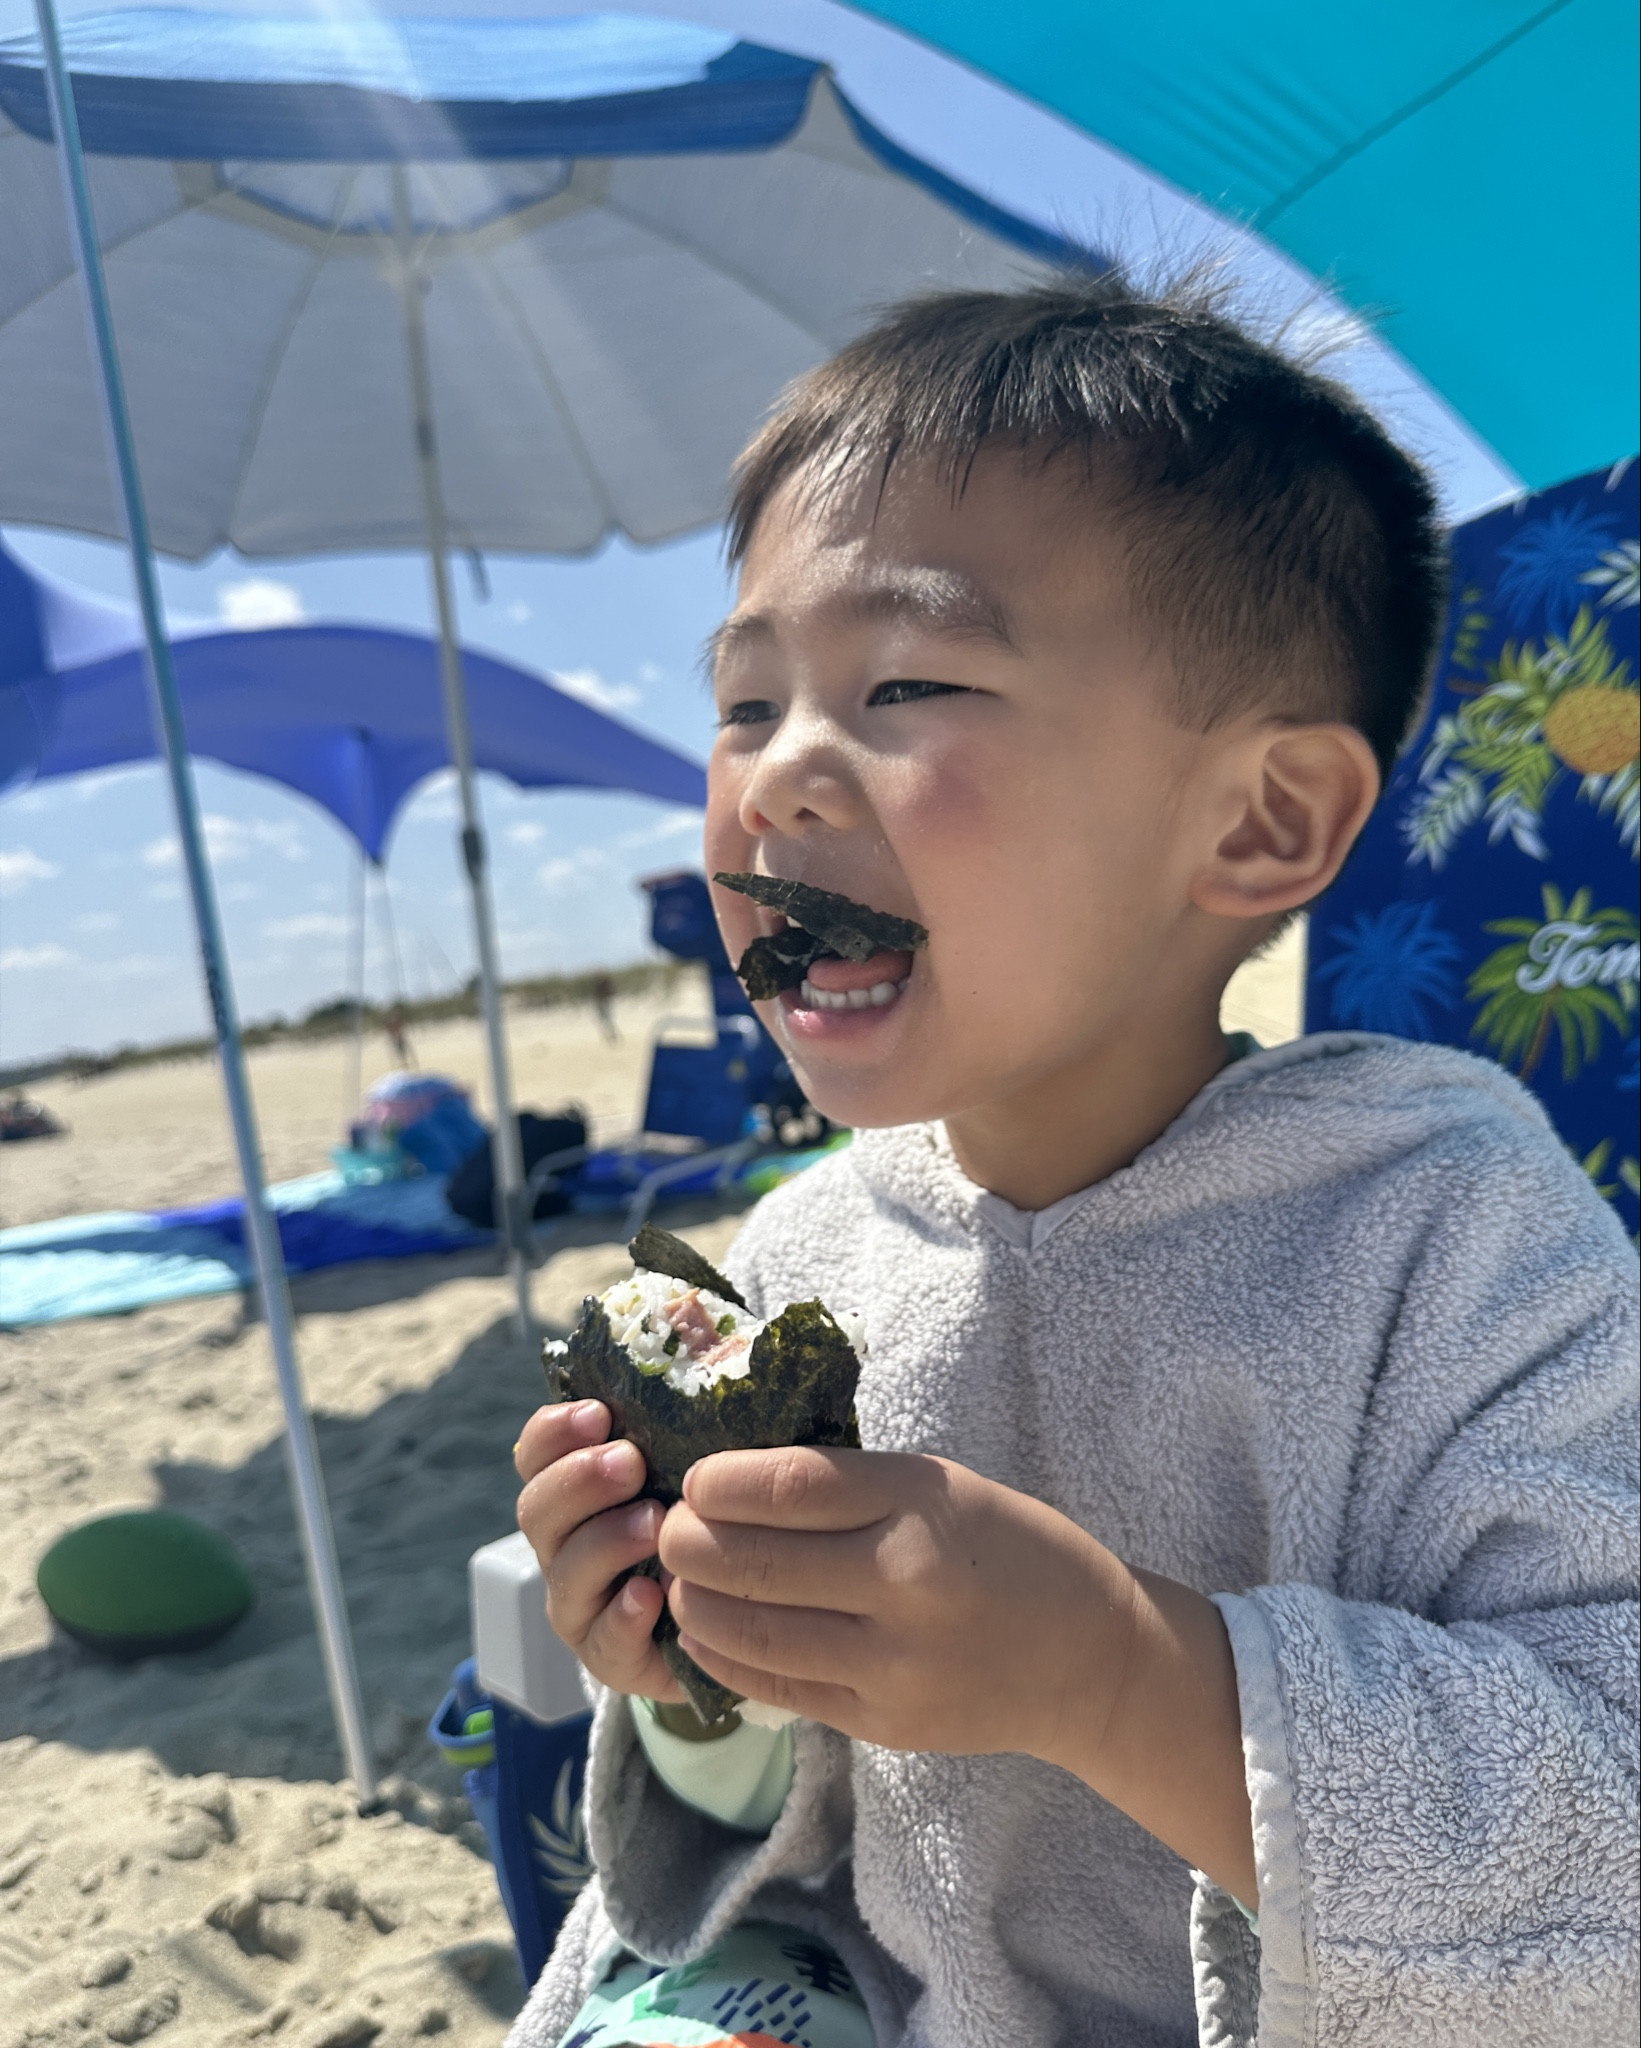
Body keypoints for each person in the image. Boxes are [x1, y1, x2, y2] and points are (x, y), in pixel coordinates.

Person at [508, 276, 1639, 2047]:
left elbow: (1606, 1816)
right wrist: (684, 1678)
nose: (779, 779)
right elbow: (789, 1857)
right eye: (743, 706)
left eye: (904, 681)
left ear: (1259, 820)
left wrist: (1118, 1674)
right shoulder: (806, 1247)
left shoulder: (1447, 1227)